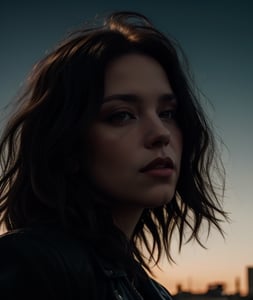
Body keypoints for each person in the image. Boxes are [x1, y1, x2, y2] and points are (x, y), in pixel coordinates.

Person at [0, 11, 227, 300]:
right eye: (122, 115)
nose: (161, 133)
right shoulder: (31, 266)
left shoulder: (149, 290)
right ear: (66, 141)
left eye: (167, 113)